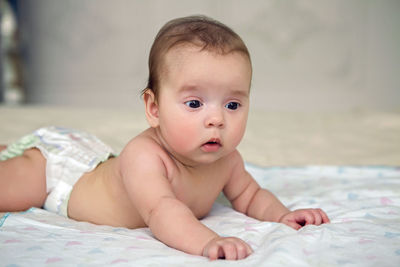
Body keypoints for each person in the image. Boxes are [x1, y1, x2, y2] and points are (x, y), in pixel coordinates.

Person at [0, 15, 329, 260]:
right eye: (194, 104)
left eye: (232, 104)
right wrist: (207, 242)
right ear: (154, 108)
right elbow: (163, 212)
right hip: (60, 175)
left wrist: (282, 215)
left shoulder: (227, 160)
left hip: (94, 162)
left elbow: (251, 195)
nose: (216, 119)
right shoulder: (144, 157)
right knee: (10, 187)